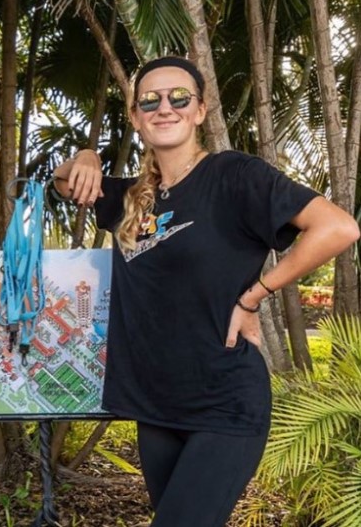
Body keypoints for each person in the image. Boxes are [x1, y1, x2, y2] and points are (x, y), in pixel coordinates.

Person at [52, 56, 359, 527]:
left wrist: (254, 295)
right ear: (135, 117)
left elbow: (338, 227)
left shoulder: (234, 175)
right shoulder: (134, 198)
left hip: (224, 401)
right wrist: (87, 156)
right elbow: (61, 181)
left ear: (200, 110)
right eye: (149, 101)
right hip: (154, 404)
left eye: (179, 97)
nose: (164, 108)